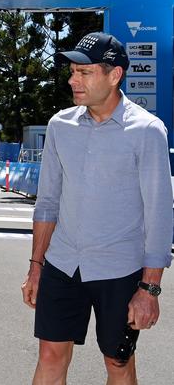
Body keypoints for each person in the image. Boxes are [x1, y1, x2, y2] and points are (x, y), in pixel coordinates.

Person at [21, 32, 173, 385]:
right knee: (49, 354)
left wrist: (149, 289)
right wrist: (36, 268)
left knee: (117, 362)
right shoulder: (60, 125)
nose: (73, 80)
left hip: (120, 268)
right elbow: (47, 203)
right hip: (62, 263)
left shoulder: (148, 131)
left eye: (84, 73)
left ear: (114, 75)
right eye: (72, 72)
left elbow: (160, 215)